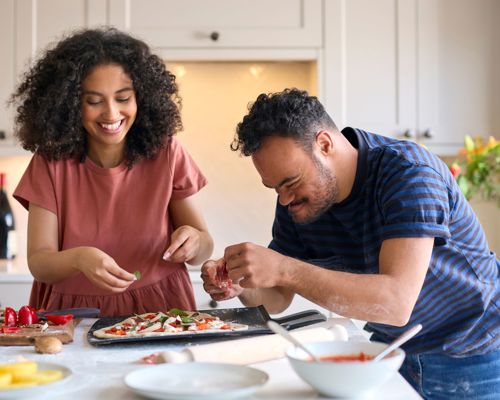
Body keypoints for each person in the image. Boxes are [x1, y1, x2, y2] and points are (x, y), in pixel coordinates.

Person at [201, 89, 499, 398]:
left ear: (325, 144)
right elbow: (277, 296)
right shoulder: (296, 202)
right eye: (275, 187)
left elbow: (396, 304)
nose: (285, 197)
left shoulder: (409, 173)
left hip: (476, 354)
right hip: (390, 353)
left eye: (290, 182)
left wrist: (283, 268)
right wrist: (241, 285)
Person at [10, 28, 213, 317]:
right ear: (69, 103)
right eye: (94, 101)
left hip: (162, 308)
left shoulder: (167, 152)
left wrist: (194, 240)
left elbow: (204, 247)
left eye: (123, 98)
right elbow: (40, 262)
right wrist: (80, 258)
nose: (111, 113)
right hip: (73, 313)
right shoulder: (50, 162)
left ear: (141, 97)